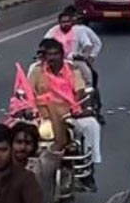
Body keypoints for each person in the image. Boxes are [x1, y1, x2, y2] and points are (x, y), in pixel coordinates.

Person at [28, 39, 103, 170]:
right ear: (45, 57)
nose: (52, 57)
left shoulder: (72, 70)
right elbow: (28, 92)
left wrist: (79, 108)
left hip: (68, 114)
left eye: (55, 54)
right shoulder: (36, 71)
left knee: (91, 124)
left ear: (62, 55)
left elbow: (80, 91)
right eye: (49, 54)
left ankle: (89, 166)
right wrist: (27, 109)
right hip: (43, 116)